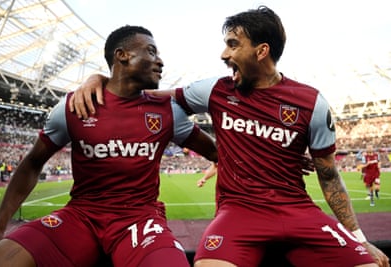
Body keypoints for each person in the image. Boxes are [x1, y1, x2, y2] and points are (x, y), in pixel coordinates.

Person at [69, 6, 390, 267]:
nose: (224, 53)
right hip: (239, 213)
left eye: (234, 44)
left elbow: (330, 176)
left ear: (261, 51)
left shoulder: (312, 102)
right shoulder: (216, 90)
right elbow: (144, 96)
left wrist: (359, 240)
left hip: (299, 212)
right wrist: (99, 77)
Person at [0, 25, 218, 267]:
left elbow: (219, 154)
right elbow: (32, 163)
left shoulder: (167, 111)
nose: (160, 61)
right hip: (80, 217)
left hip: (140, 220)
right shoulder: (72, 107)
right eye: (151, 51)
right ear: (122, 55)